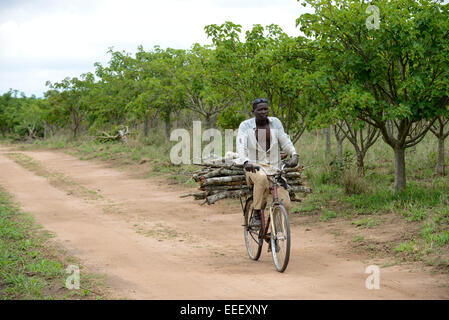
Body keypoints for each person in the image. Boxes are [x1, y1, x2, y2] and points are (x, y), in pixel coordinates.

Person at [236, 98, 299, 227]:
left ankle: (277, 234)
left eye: (266, 109)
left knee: (285, 204)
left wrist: (294, 154)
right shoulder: (245, 126)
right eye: (260, 110)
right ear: (253, 111)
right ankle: (257, 213)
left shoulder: (275, 123)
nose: (264, 112)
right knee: (261, 179)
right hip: (254, 167)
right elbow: (241, 145)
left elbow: (285, 141)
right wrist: (246, 162)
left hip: (274, 167)